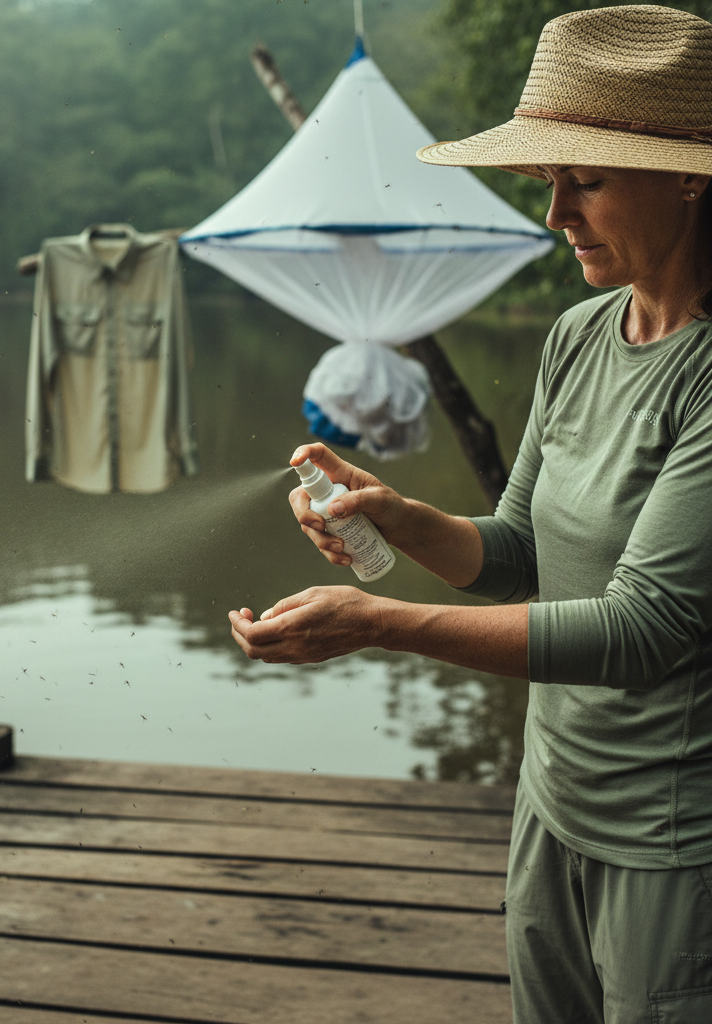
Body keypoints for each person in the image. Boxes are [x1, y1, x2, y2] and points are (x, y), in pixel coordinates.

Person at [229, 6, 712, 1023]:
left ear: (688, 173)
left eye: (584, 180)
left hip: (674, 841)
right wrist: (397, 516)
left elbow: (642, 629)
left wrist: (377, 624)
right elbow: (517, 556)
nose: (555, 217)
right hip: (553, 803)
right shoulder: (581, 334)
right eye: (547, 182)